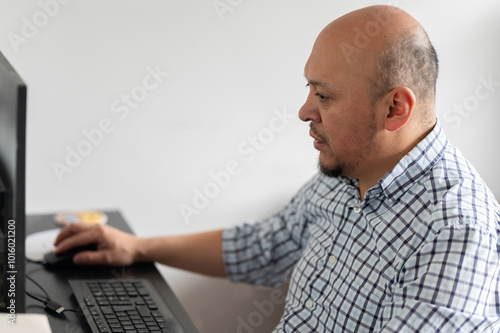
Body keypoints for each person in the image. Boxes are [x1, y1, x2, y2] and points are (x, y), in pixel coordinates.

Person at [54, 5, 500, 332]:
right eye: (309, 88)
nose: (304, 111)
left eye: (324, 96)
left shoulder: (456, 234)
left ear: (395, 109)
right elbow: (266, 245)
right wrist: (136, 247)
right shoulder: (348, 169)